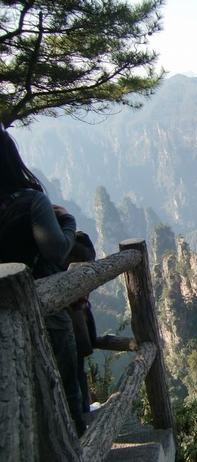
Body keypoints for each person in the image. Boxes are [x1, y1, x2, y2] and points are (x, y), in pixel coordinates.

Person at [0, 123, 85, 435]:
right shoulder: (30, 201)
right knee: (65, 380)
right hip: (42, 306)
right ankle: (76, 441)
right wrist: (67, 220)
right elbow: (57, 251)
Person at [65, 232, 98, 414]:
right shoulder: (71, 244)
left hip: (71, 321)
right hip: (70, 323)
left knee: (75, 373)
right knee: (74, 373)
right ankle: (82, 419)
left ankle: (81, 417)